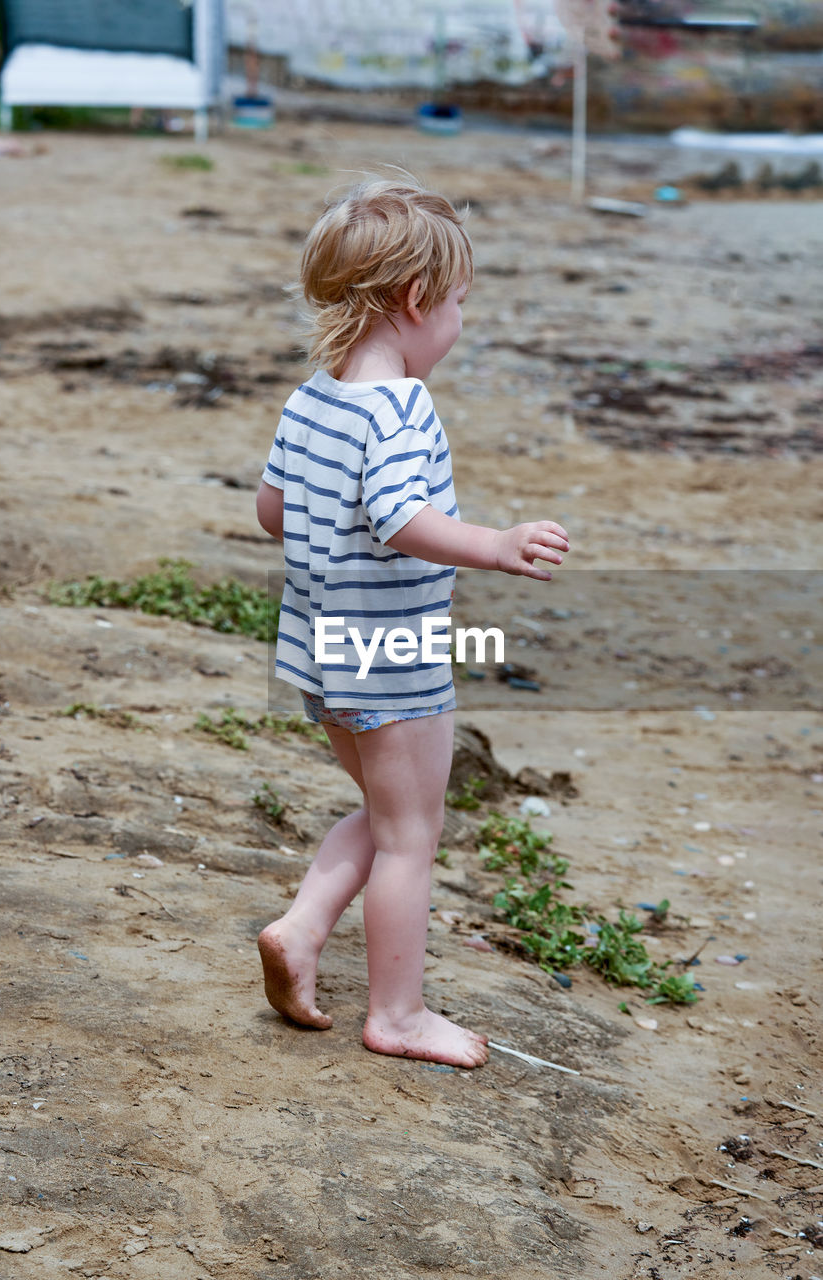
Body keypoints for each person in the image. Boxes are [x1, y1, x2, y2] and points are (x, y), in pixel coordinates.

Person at [255, 177, 569, 1068]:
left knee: (387, 812)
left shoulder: (315, 396)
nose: (461, 319)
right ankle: (397, 1013)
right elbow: (400, 519)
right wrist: (495, 543)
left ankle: (304, 926)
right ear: (417, 300)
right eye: (461, 301)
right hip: (391, 655)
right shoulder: (400, 407)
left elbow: (273, 511)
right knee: (410, 838)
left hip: (322, 652)